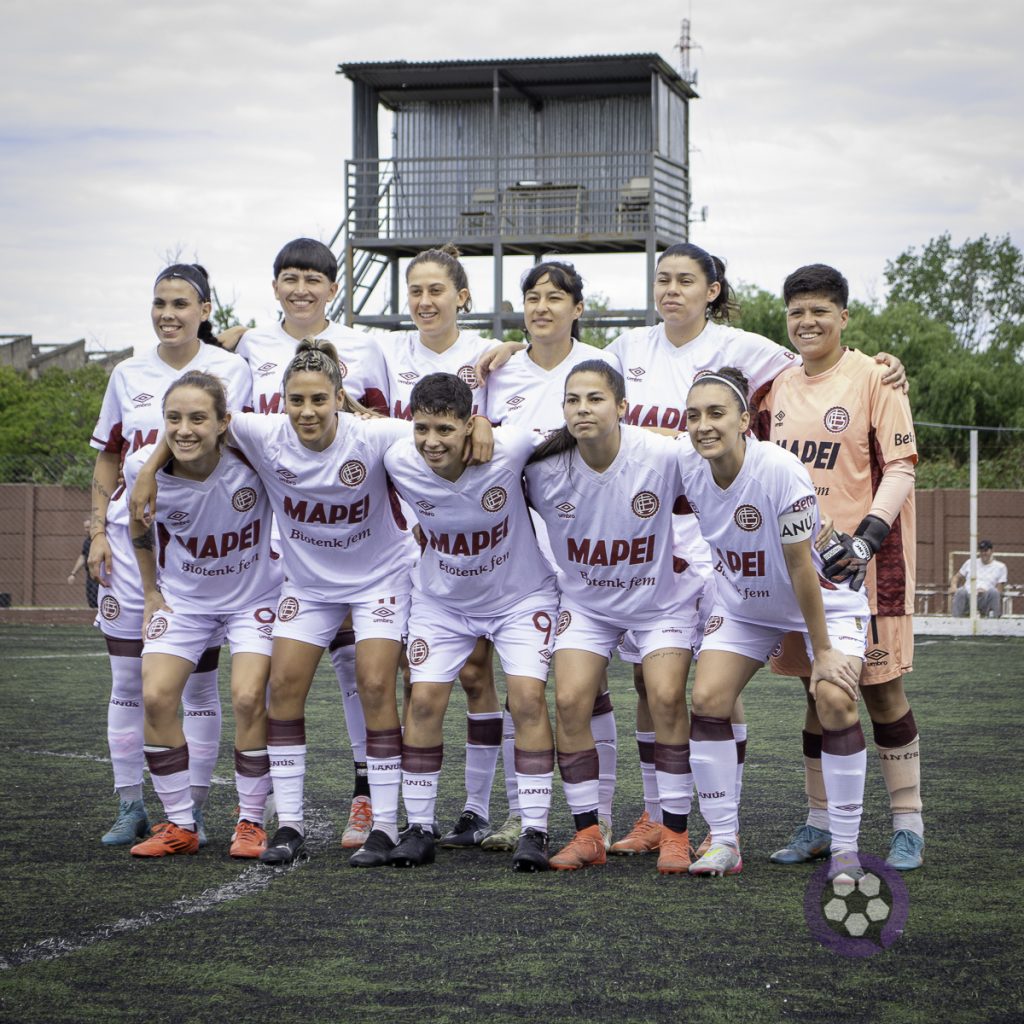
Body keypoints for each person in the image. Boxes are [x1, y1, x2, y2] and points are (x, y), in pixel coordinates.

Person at [132, 339, 416, 867]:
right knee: (282, 691)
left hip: (379, 580)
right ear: (280, 401)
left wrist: (484, 427)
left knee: (375, 685)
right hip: (307, 587)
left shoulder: (374, 434)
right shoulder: (262, 433)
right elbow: (192, 423)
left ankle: (384, 825)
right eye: (295, 400)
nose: (306, 411)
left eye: (318, 400)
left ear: (338, 397)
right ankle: (287, 827)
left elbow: (429, 432)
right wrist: (149, 468)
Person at [220, 237, 391, 850]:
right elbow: (214, 420)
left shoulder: (368, 346)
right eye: (289, 278)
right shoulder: (243, 351)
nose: (300, 289)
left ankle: (370, 803)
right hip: (285, 545)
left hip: (364, 546)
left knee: (363, 677)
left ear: (333, 288)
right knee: (279, 685)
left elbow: (390, 433)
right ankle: (281, 819)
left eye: (313, 280)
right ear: (274, 287)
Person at [760, 264, 925, 872]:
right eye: (796, 312)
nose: (807, 322)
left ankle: (908, 822)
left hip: (866, 570)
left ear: (843, 317)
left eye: (819, 311)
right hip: (801, 574)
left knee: (881, 692)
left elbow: (902, 467)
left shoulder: (876, 378)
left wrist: (867, 540)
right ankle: (819, 823)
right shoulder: (774, 386)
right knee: (817, 692)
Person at [680, 367, 870, 880]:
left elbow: (801, 565)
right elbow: (634, 439)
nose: (703, 426)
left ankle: (847, 849)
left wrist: (823, 651)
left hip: (823, 603)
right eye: (693, 416)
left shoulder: (779, 470)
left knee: (833, 698)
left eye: (717, 413)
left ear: (745, 420)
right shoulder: (688, 462)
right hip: (746, 605)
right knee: (707, 700)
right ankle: (723, 842)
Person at [88, 263, 251, 847]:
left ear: (205, 310)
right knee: (127, 681)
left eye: (182, 303)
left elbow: (236, 447)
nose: (168, 313)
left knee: (201, 685)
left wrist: (152, 470)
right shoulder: (127, 373)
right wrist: (98, 532)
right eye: (160, 302)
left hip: (191, 550)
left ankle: (193, 810)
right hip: (128, 546)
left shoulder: (234, 370)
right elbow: (109, 458)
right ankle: (130, 804)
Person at [525, 361, 702, 874]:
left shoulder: (663, 455)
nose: (583, 408)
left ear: (622, 407)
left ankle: (674, 833)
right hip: (587, 605)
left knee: (666, 697)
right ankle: (588, 834)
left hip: (660, 603)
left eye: (595, 399)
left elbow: (726, 468)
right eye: (573, 399)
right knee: (570, 700)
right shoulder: (539, 467)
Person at [380, 373, 556, 870]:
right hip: (443, 603)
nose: (431, 442)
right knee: (423, 699)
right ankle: (418, 828)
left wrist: (486, 422)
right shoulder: (398, 459)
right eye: (421, 428)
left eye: (444, 429)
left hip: (521, 597)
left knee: (526, 698)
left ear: (467, 426)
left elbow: (563, 438)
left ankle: (536, 829)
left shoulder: (511, 445)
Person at [479, 260, 620, 853]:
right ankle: (521, 811)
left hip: (586, 553)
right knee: (525, 689)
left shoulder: (599, 370)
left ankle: (603, 815)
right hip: (518, 559)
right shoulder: (497, 371)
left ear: (577, 308)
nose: (542, 307)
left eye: (555, 298)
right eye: (532, 298)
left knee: (591, 690)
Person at [373, 244, 506, 848]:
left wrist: (482, 422)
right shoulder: (383, 350)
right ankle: (412, 813)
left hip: (486, 534)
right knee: (419, 681)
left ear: (463, 296)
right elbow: (360, 419)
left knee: (479, 674)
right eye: (416, 291)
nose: (425, 302)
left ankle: (475, 809)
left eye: (437, 291)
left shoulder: (490, 358)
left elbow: (503, 434)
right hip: (417, 540)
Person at [123, 372, 281, 857]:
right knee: (154, 696)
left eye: (197, 418)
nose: (184, 429)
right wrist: (150, 590)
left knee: (249, 696)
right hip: (185, 602)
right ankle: (180, 825)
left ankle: (251, 822)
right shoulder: (138, 468)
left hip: (254, 598)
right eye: (173, 418)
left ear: (223, 423)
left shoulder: (251, 457)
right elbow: (138, 524)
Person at [950, 540, 1007, 618]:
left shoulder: (1000, 567)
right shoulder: (970, 562)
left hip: (985, 598)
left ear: (991, 551)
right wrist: (953, 587)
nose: (983, 553)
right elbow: (956, 577)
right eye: (981, 551)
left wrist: (985, 591)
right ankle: (956, 621)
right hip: (969, 596)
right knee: (960, 591)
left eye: (986, 550)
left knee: (994, 592)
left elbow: (999, 589)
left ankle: (994, 620)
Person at [68, 518, 99, 608]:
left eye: (89, 527)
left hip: (99, 574)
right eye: (85, 528)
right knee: (91, 600)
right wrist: (73, 573)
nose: (87, 530)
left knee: (97, 598)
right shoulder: (87, 541)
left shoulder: (101, 540)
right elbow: (82, 557)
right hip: (90, 575)